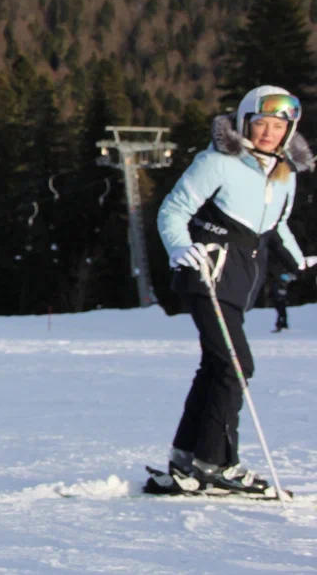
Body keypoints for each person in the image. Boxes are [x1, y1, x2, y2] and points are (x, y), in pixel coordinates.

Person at [156, 86, 315, 494]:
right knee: (235, 365)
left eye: (278, 126)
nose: (269, 133)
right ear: (245, 122)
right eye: (261, 123)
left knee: (216, 366)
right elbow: (173, 210)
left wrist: (298, 261)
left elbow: (277, 226)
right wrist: (180, 247)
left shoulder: (284, 174)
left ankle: (187, 456)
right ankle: (217, 462)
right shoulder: (217, 162)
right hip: (207, 272)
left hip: (242, 279)